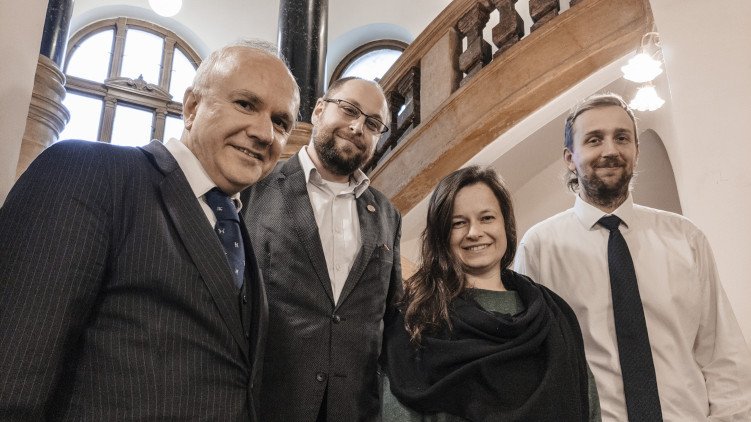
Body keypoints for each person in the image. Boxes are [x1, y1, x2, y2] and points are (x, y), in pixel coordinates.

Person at [0, 39, 300, 420]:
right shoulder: (87, 172)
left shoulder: (240, 231)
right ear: (192, 108)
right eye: (245, 104)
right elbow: (11, 378)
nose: (264, 133)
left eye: (280, 122)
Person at [515, 93, 751, 421]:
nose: (610, 150)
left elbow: (724, 355)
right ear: (570, 158)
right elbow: (529, 363)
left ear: (636, 151)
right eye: (594, 139)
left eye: (622, 138)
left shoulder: (686, 238)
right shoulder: (539, 247)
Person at [382, 166, 600, 422]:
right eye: (458, 223)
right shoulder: (417, 317)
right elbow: (396, 410)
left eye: (486, 218)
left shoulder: (554, 314)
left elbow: (587, 405)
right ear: (441, 235)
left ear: (505, 224)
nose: (474, 232)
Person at [241, 76, 402, 421]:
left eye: (373, 124)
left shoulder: (388, 215)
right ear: (318, 111)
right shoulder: (255, 188)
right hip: (268, 406)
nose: (357, 127)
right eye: (349, 110)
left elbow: (391, 317)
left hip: (355, 410)